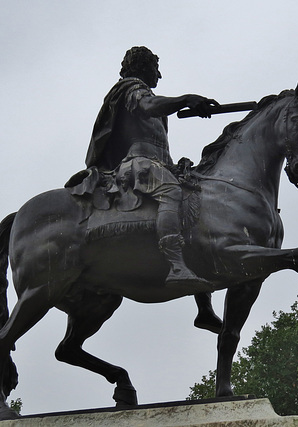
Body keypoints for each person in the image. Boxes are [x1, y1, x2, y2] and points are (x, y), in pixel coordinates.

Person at [86, 46, 222, 332]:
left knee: (196, 202)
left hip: (159, 163)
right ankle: (175, 266)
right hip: (139, 163)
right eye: (156, 68)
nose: (159, 74)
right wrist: (186, 99)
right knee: (172, 192)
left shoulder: (142, 94)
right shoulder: (132, 88)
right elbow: (148, 106)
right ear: (144, 67)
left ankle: (205, 308)